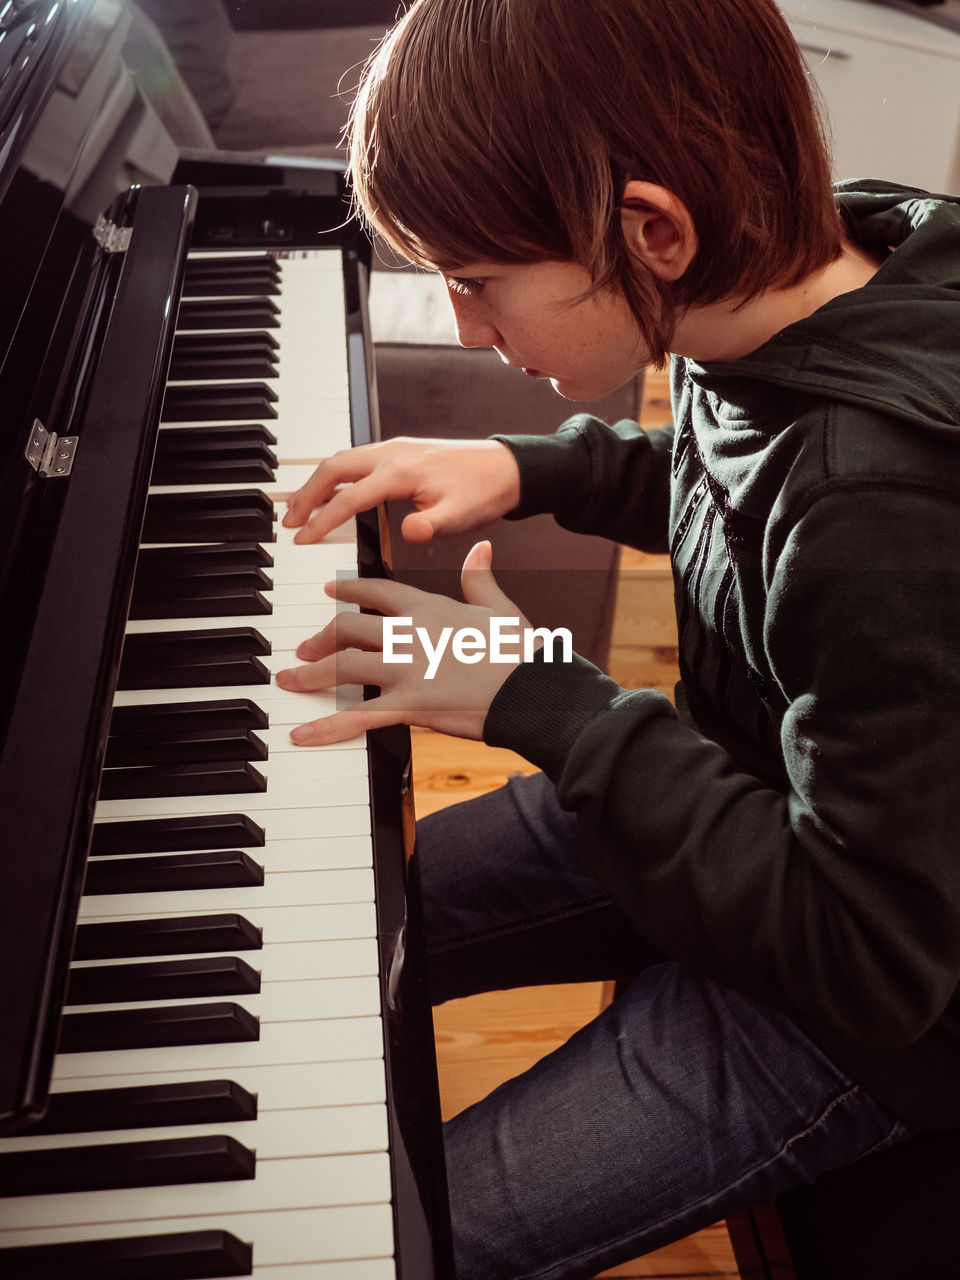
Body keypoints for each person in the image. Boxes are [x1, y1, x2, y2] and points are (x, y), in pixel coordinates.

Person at [277, 0, 960, 1275]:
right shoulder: (807, 268)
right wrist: (532, 466)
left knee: (411, 1238)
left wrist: (539, 696)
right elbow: (732, 482)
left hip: (855, 1005)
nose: (467, 327)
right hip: (743, 792)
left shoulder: (881, 501)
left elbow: (872, 960)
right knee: (354, 918)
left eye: (476, 283)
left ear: (652, 230)